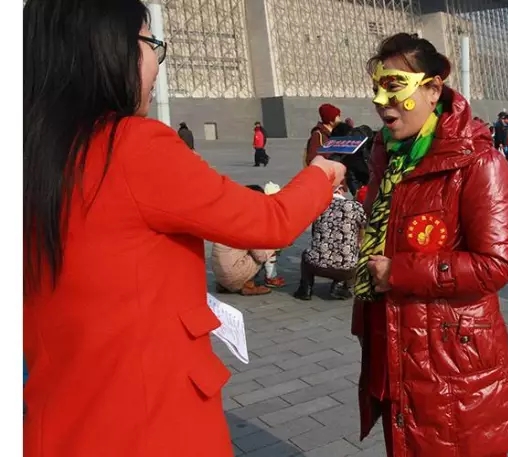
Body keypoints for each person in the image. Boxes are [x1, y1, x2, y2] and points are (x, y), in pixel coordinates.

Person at [23, 2, 346, 456]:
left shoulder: (29, 155)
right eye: (149, 42)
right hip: (153, 424)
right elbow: (268, 222)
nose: (156, 61)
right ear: (107, 48)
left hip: (58, 425)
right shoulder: (132, 145)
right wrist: (322, 174)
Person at [352, 32, 508, 457]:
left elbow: (496, 264)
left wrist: (399, 272)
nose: (381, 101)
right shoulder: (387, 158)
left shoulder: (477, 161)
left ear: (433, 89)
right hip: (395, 347)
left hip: (453, 364)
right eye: (376, 88)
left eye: (395, 86)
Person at [293, 186, 367, 301]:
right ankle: (340, 286)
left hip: (316, 265)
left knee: (306, 254)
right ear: (342, 191)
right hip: (346, 269)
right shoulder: (356, 207)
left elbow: (314, 234)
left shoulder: (320, 206)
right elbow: (364, 229)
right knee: (355, 255)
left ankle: (305, 289)